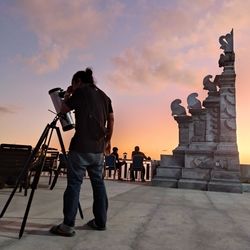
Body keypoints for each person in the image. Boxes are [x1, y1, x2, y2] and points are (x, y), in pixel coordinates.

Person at [50, 67, 114, 237]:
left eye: (73, 83)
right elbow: (112, 119)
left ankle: (67, 226)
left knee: (74, 184)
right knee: (98, 185)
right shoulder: (104, 96)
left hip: (80, 148)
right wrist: (108, 141)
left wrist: (69, 94)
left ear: (78, 81)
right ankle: (100, 222)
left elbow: (63, 110)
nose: (72, 86)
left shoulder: (81, 92)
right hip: (98, 150)